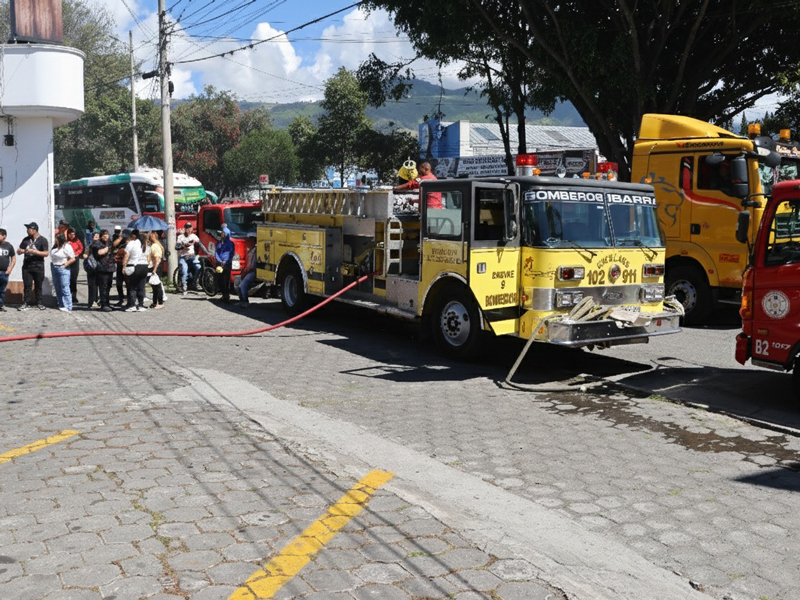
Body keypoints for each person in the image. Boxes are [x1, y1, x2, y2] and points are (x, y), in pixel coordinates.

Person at [16, 222, 49, 311]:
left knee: (38, 285)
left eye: (29, 229)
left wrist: (34, 252)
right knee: (27, 285)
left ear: (34, 230)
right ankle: (26, 302)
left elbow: (46, 253)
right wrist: (21, 251)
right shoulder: (26, 240)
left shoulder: (42, 240)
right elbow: (19, 251)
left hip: (39, 266)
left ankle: (39, 302)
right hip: (27, 267)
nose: (27, 231)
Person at [122, 229, 148, 311]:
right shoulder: (145, 244)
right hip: (144, 266)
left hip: (135, 266)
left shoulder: (132, 243)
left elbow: (126, 254)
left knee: (132, 286)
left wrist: (124, 266)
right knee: (141, 286)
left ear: (133, 236)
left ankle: (132, 305)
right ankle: (141, 305)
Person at [50, 232, 76, 313]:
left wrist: (65, 264)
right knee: (57, 287)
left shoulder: (66, 247)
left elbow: (73, 258)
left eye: (56, 239)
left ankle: (68, 306)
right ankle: (61, 304)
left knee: (65, 287)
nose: (55, 240)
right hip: (54, 267)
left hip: (62, 268)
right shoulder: (55, 247)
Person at [92, 229, 115, 312]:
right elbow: (99, 252)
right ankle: (103, 304)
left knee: (108, 286)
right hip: (102, 268)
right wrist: (106, 249)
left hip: (110, 267)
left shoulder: (109, 242)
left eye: (107, 234)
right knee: (103, 287)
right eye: (104, 235)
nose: (106, 236)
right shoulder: (97, 243)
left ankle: (107, 303)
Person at [177, 222, 201, 294]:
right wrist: (184, 246)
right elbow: (177, 246)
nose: (188, 229)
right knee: (184, 270)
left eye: (189, 228)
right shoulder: (180, 237)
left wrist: (206, 251)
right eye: (187, 228)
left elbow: (200, 244)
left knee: (198, 267)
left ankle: (195, 282)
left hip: (192, 257)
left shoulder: (194, 236)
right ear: (184, 228)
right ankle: (184, 286)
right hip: (183, 257)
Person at [214, 226, 235, 302]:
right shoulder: (219, 243)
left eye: (223, 233)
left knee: (226, 280)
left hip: (227, 265)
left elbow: (231, 254)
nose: (222, 234)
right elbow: (216, 252)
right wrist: (219, 261)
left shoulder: (231, 244)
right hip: (219, 264)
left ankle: (226, 295)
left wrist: (226, 262)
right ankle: (223, 294)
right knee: (219, 279)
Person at [146, 231, 165, 310]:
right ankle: (155, 302)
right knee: (155, 286)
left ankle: (159, 302)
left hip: (155, 267)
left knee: (157, 286)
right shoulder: (156, 245)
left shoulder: (154, 246)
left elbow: (157, 258)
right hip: (155, 266)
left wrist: (154, 269)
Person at [66, 227, 84, 304]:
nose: (72, 236)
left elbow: (81, 248)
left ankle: (74, 295)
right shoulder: (65, 241)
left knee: (74, 278)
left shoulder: (77, 240)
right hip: (67, 261)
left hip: (75, 261)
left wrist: (77, 254)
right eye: (71, 234)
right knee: (67, 279)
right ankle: (67, 295)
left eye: (73, 234)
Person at [0, 228, 16, 312]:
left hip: (4, 272)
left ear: (4, 236)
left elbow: (13, 257)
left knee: (2, 290)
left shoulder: (9, 246)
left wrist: (10, 268)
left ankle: (0, 305)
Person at [84, 231, 100, 309]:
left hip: (99, 268)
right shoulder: (89, 245)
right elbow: (85, 255)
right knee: (92, 285)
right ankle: (91, 302)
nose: (96, 239)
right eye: (95, 237)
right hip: (91, 268)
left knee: (98, 285)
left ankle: (96, 301)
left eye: (98, 237)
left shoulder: (101, 245)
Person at [112, 226, 127, 306]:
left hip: (127, 265)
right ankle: (121, 299)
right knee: (119, 283)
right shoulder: (116, 237)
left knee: (128, 283)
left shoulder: (130, 244)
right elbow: (114, 245)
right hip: (119, 263)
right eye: (116, 231)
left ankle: (129, 300)